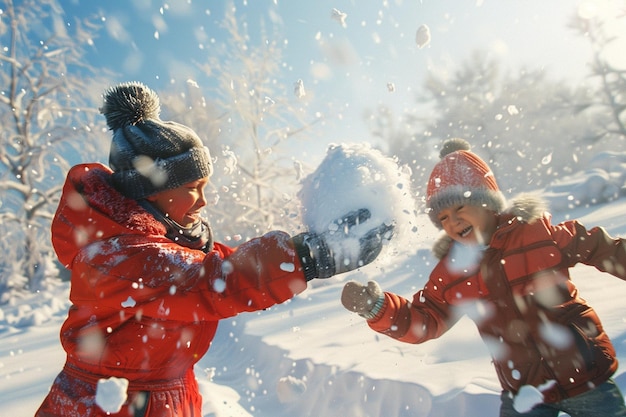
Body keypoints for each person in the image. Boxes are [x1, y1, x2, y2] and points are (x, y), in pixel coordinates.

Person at [36, 81, 392, 417]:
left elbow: (227, 263)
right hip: (109, 405)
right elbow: (215, 280)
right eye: (194, 186)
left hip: (156, 396)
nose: (203, 201)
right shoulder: (119, 256)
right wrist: (311, 255)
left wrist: (305, 250)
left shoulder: (157, 245)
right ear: (151, 190)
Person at [341, 138, 626, 417]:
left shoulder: (536, 233)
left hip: (586, 377)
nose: (453, 222)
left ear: (488, 202)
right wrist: (376, 308)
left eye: (460, 208)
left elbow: (603, 250)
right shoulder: (453, 270)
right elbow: (426, 320)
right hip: (524, 392)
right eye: (443, 218)